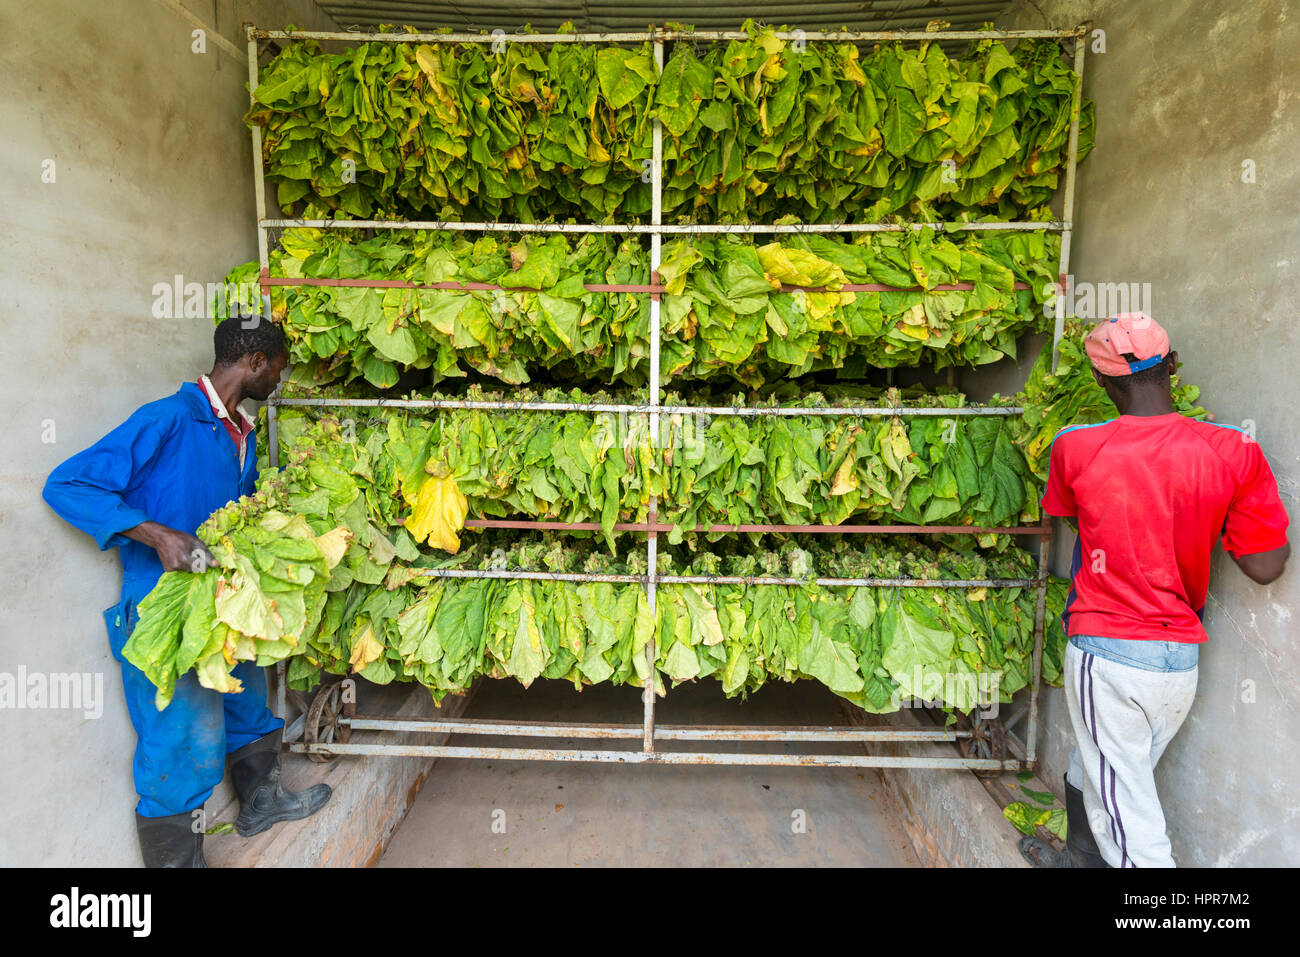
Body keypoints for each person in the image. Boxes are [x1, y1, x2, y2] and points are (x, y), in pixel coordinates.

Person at [43, 316, 330, 867]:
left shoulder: (238, 433)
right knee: (180, 742)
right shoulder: (168, 420)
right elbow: (67, 483)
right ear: (254, 364)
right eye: (278, 367)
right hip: (164, 611)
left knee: (248, 701)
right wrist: (154, 533)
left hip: (221, 602)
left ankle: (260, 804)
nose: (279, 378)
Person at [1018, 313, 1290, 868]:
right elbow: (1264, 568)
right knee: (1099, 771)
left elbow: (1075, 521)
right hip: (1176, 661)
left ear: (1100, 382)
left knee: (1130, 821)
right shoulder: (1233, 450)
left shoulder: (1075, 447)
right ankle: (1079, 860)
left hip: (1108, 653)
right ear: (1170, 364)